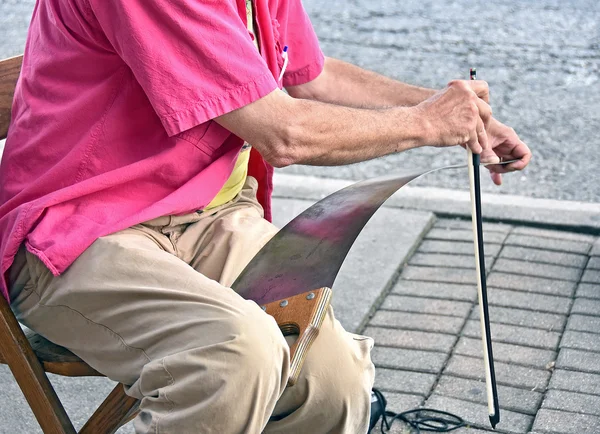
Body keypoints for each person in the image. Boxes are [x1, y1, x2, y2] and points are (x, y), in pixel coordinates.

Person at [0, 0, 531, 433]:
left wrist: (450, 108)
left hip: (207, 213)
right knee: (232, 355)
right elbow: (284, 133)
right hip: (75, 230)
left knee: (335, 381)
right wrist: (426, 123)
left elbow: (307, 77)